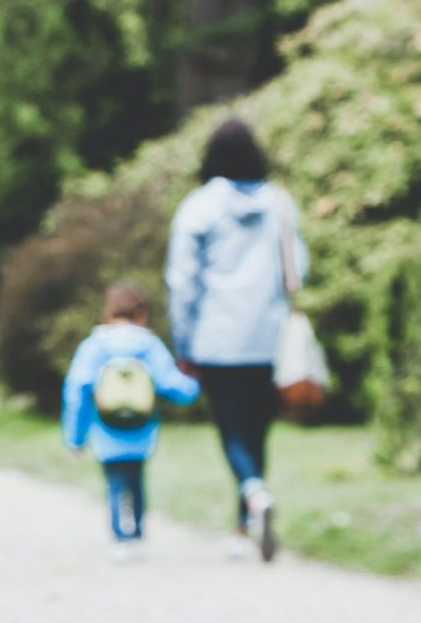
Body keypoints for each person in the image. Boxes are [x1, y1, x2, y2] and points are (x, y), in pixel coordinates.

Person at [164, 118, 308, 563]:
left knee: (231, 429)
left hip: (216, 337)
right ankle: (245, 522)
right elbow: (298, 270)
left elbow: (182, 281)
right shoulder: (281, 204)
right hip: (268, 336)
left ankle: (252, 496)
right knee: (257, 429)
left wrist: (182, 343)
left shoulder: (199, 208)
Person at [61, 281, 201, 562]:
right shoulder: (149, 345)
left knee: (114, 484)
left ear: (108, 313)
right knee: (137, 483)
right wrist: (195, 384)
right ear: (142, 314)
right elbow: (173, 385)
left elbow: (77, 390)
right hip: (141, 433)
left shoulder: (94, 346)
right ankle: (137, 535)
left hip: (106, 432)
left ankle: (119, 539)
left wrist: (75, 437)